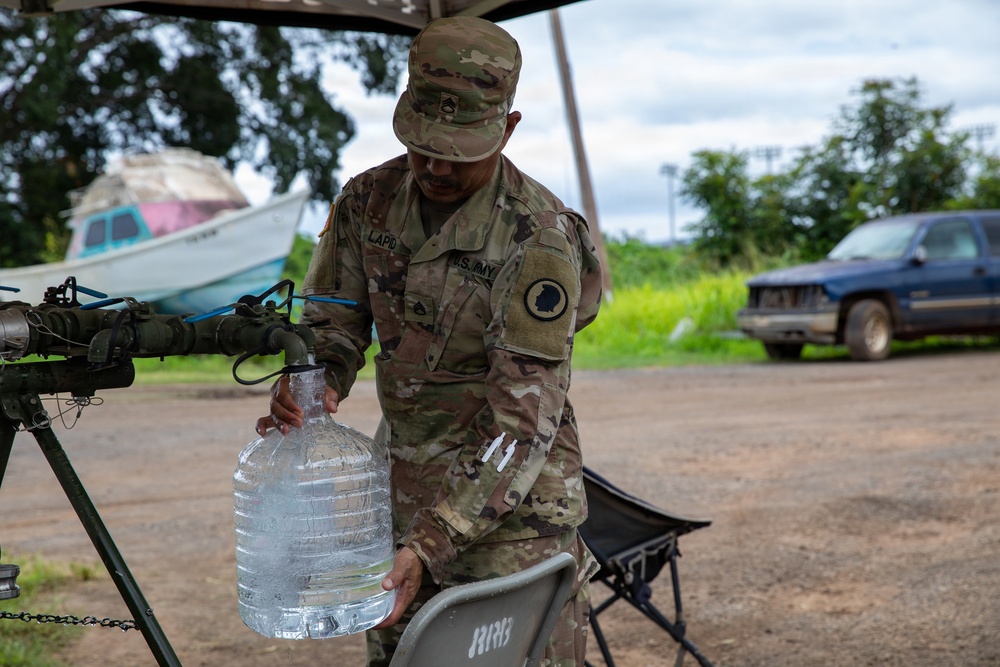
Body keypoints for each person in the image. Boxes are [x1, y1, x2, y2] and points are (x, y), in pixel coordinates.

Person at [255, 15, 603, 667]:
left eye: (459, 148)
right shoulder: (366, 202)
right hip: (402, 501)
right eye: (423, 144)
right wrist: (314, 383)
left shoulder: (539, 239)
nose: (437, 165)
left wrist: (434, 541)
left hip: (515, 524)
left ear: (507, 128)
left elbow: (521, 423)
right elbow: (332, 323)